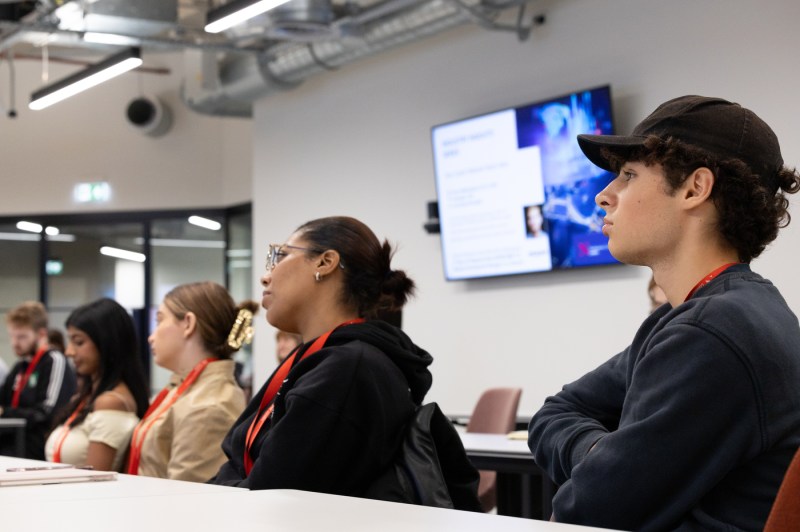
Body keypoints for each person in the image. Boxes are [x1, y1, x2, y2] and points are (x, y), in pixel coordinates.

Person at [528, 95, 800, 530]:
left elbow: (588, 510)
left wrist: (602, 467)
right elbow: (554, 413)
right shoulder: (707, 315)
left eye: (629, 175)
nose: (604, 196)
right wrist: (601, 454)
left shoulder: (713, 332)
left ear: (695, 188)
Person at [209, 216, 434, 496]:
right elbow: (241, 463)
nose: (266, 275)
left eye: (282, 256)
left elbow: (271, 495)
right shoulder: (320, 359)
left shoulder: (347, 369)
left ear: (325, 263)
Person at [126, 281, 255, 482]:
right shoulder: (184, 390)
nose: (151, 337)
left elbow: (186, 498)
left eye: (160, 321)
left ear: (188, 323)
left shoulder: (209, 404)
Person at [44, 298, 149, 471]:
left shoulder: (111, 401)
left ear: (107, 343)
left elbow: (95, 478)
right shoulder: (87, 395)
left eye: (79, 342)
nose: (69, 352)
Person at [0, 301, 77, 458]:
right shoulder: (20, 366)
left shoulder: (53, 360)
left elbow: (46, 413)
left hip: (37, 448)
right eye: (12, 336)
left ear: (41, 334)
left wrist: (5, 412)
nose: (15, 343)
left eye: (22, 337)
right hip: (13, 442)